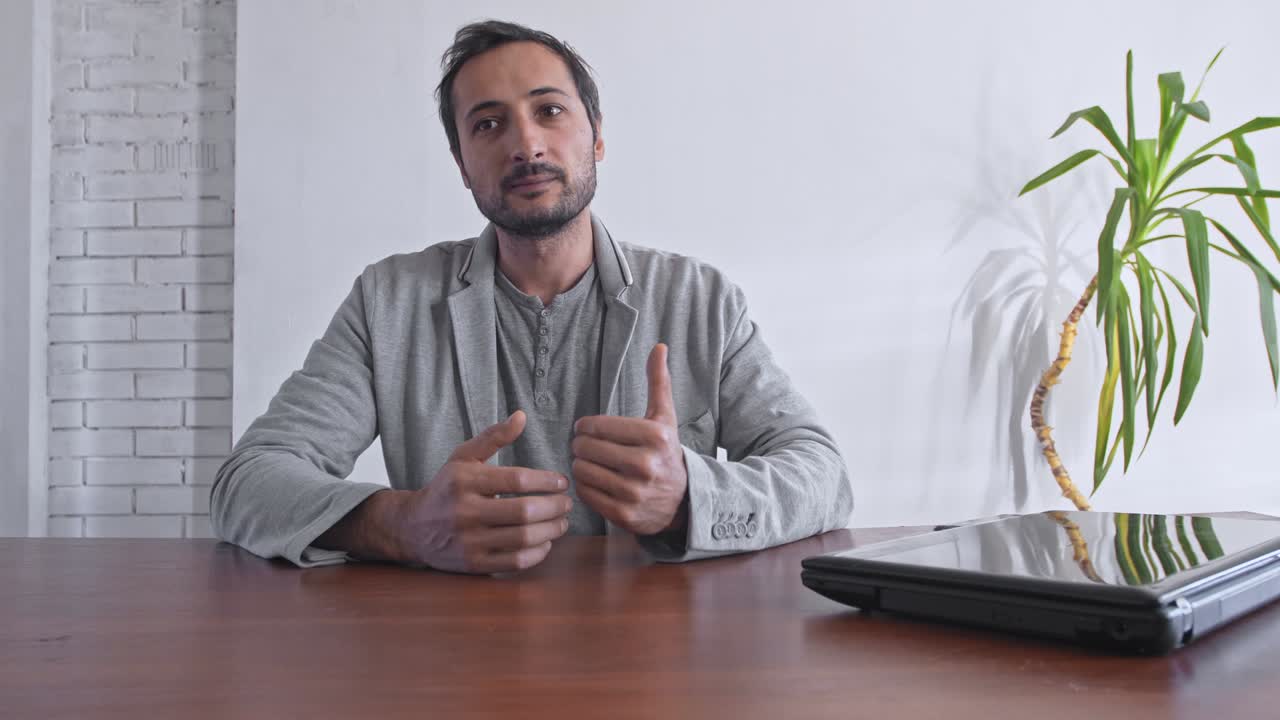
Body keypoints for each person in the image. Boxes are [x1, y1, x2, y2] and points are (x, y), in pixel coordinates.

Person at [210, 19, 852, 572]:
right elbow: (248, 482)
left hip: (657, 663)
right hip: (452, 656)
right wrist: (403, 525)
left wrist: (690, 497)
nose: (526, 145)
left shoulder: (700, 299)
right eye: (488, 124)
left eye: (549, 111)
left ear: (597, 136)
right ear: (462, 164)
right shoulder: (390, 302)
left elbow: (824, 477)